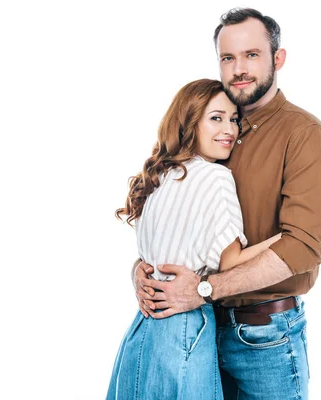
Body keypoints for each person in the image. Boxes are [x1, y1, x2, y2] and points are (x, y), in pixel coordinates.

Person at [133, 8, 321, 400]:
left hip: (265, 336)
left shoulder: (303, 133)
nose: (239, 68)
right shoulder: (214, 132)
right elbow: (183, 221)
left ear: (278, 59)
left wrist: (204, 288)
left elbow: (304, 247)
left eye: (252, 55)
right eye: (228, 58)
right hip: (199, 329)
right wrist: (145, 271)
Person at [106, 78, 281, 400]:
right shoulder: (215, 177)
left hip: (144, 327)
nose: (229, 128)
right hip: (185, 323)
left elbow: (149, 260)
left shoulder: (160, 176)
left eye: (233, 119)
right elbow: (230, 262)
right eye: (216, 118)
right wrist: (287, 236)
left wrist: (137, 273)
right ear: (189, 123)